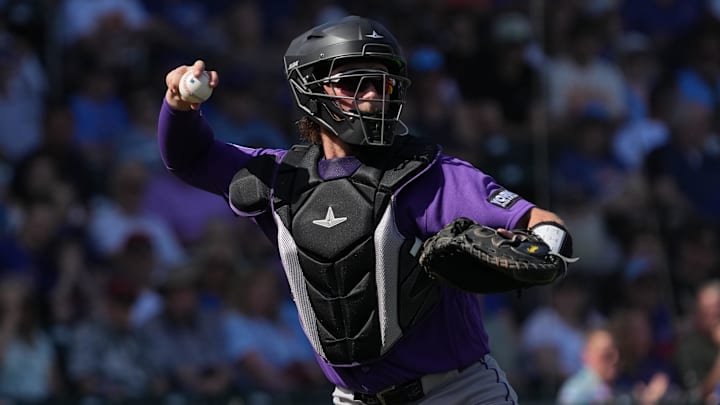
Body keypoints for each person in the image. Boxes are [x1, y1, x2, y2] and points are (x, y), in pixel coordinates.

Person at [158, 16, 573, 404]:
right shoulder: (279, 178)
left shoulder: (430, 174)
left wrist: (543, 246)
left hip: (458, 391)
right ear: (312, 87)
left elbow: (541, 223)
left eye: (384, 84)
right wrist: (178, 107)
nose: (374, 96)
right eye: (356, 83)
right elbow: (189, 157)